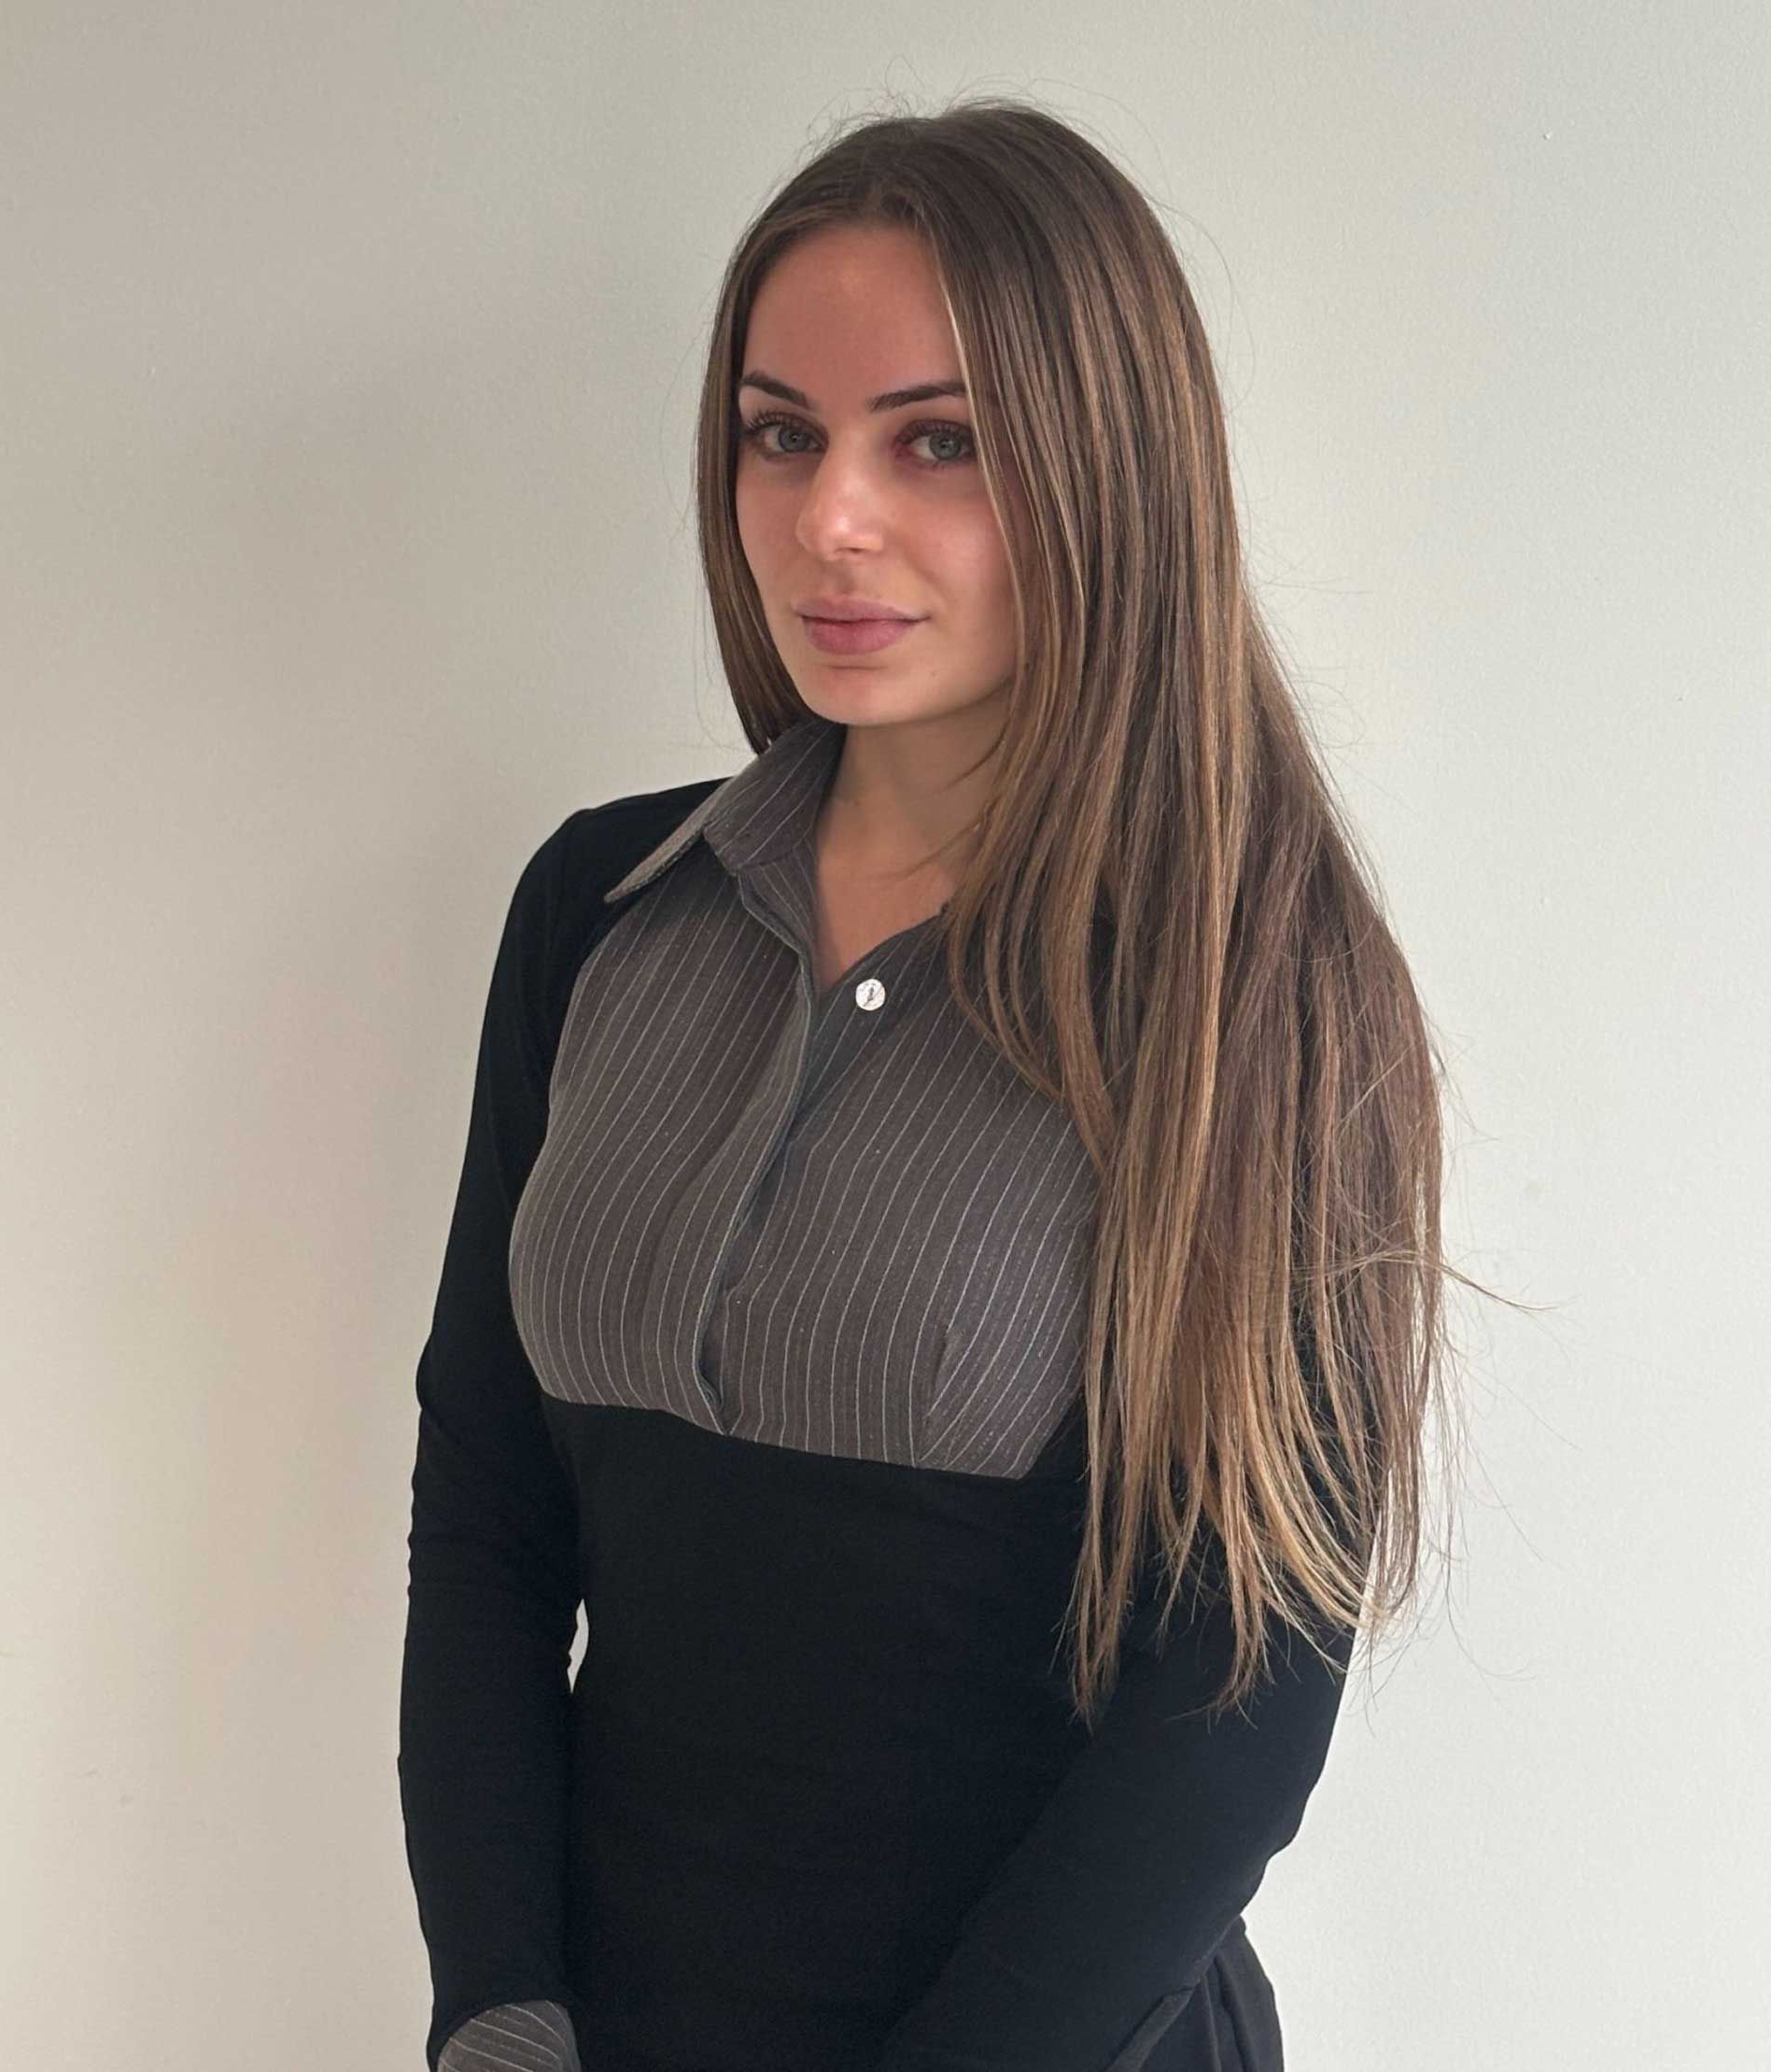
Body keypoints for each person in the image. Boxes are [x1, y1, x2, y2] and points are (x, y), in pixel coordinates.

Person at [399, 96, 1478, 2072]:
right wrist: (497, 2009)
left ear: (1107, 467)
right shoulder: (597, 915)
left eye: (941, 442)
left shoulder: (1258, 987)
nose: (829, 517)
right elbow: (485, 1518)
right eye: (780, 431)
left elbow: (1233, 1701)